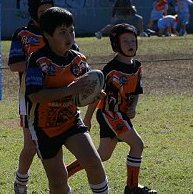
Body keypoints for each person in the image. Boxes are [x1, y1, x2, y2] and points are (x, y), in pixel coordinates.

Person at [25, 7, 109, 193]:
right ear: (47, 35)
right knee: (58, 181)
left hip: (71, 121)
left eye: (71, 30)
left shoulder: (78, 59)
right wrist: (69, 90)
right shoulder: (38, 60)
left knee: (94, 163)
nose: (69, 36)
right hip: (43, 127)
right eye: (62, 32)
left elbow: (87, 88)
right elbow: (35, 95)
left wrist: (94, 95)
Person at [66, 24, 157, 194]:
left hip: (122, 115)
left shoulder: (137, 66)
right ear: (116, 44)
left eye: (133, 40)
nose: (131, 44)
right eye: (125, 41)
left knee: (103, 155)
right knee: (138, 145)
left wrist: (133, 107)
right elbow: (96, 96)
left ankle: (64, 173)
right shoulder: (109, 70)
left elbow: (137, 91)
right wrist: (87, 119)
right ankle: (132, 188)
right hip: (110, 114)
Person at [8, 0, 54, 193]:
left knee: (56, 142)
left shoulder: (59, 30)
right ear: (33, 12)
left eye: (50, 10)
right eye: (42, 12)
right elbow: (13, 65)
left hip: (58, 94)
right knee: (31, 146)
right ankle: (21, 182)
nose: (47, 16)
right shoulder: (23, 34)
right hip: (30, 97)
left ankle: (59, 182)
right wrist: (41, 63)